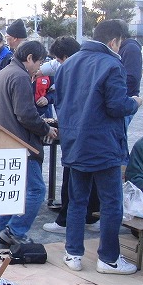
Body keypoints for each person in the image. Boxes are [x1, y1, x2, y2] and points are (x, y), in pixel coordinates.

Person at [55, 19, 143, 274]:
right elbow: (117, 106)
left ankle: (73, 254)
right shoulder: (112, 64)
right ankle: (109, 258)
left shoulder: (68, 64)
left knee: (77, 201)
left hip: (74, 144)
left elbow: (59, 103)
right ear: (114, 41)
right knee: (111, 202)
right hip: (103, 145)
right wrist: (135, 102)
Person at [0, 41, 58, 246]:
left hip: (1, 140)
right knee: (36, 190)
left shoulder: (4, 72)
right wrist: (46, 129)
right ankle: (15, 230)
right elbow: (26, 115)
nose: (40, 67)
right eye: (39, 62)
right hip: (17, 143)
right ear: (29, 59)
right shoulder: (20, 76)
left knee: (10, 192)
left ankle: (1, 232)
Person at [41, 36, 100, 234]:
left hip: (75, 132)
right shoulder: (94, 66)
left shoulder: (71, 71)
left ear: (65, 57)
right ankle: (90, 217)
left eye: (58, 60)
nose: (58, 64)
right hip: (94, 134)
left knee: (71, 177)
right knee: (91, 176)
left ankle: (65, 220)